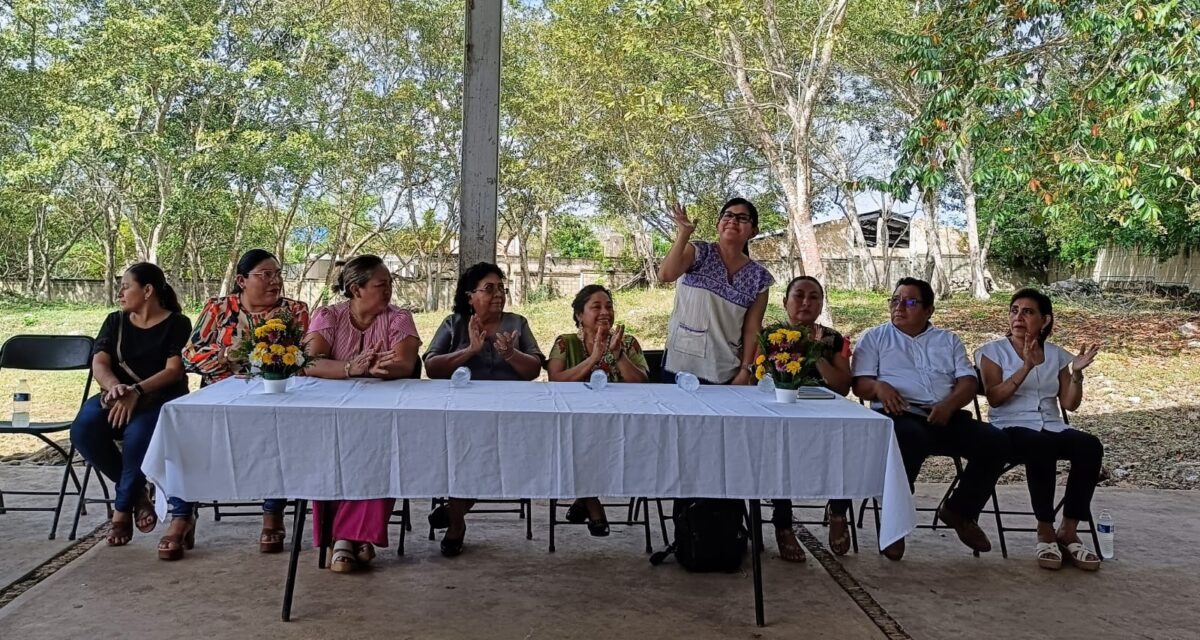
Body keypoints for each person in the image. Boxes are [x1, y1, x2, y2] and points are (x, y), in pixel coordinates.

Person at [851, 277, 1010, 560]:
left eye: (910, 302)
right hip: (899, 414)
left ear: (929, 310)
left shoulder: (947, 340)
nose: (899, 307)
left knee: (996, 442)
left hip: (944, 414)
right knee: (911, 438)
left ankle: (959, 510)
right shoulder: (874, 338)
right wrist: (878, 387)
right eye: (895, 300)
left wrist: (949, 405)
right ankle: (895, 524)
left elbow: (968, 381)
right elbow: (860, 384)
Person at [181, 248, 310, 555]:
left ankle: (273, 513)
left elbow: (303, 358)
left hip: (276, 399)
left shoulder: (294, 311)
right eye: (266, 275)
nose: (275, 281)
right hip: (221, 400)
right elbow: (189, 355)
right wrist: (226, 356)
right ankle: (181, 515)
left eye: (278, 274)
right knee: (185, 433)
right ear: (241, 280)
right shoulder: (218, 308)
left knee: (279, 434)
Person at [301, 255, 421, 573]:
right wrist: (350, 368)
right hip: (331, 415)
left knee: (382, 456)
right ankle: (354, 538)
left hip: (382, 416)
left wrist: (384, 369)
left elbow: (406, 363)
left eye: (390, 284)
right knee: (327, 457)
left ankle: (344, 538)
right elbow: (310, 363)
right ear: (356, 289)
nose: (389, 290)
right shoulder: (329, 316)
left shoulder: (399, 318)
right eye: (381, 285)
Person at [975, 288, 1103, 571]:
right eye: (1014, 311)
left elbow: (1069, 404)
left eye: (1028, 312)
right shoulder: (991, 352)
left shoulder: (1056, 355)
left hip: (1052, 426)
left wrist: (1076, 374)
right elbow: (994, 398)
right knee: (1039, 445)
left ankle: (1068, 530)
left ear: (1045, 320)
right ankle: (1045, 530)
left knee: (1089, 445)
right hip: (1009, 427)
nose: (1018, 317)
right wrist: (1026, 367)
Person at [69, 263, 192, 552]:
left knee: (138, 436)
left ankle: (121, 511)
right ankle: (138, 495)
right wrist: (115, 388)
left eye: (126, 286)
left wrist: (136, 391)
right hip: (116, 397)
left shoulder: (177, 323)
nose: (120, 293)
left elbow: (174, 370)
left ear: (148, 291)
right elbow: (100, 362)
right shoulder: (116, 321)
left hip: (159, 398)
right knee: (83, 429)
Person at [423, 262, 543, 556]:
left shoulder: (517, 323)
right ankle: (456, 523)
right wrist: (470, 351)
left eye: (501, 288)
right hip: (463, 414)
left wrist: (511, 354)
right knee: (464, 457)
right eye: (489, 289)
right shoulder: (454, 324)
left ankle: (455, 511)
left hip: (511, 414)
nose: (498, 294)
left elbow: (534, 369)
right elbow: (432, 367)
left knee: (501, 455)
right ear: (470, 296)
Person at [546, 284, 650, 535]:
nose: (605, 312)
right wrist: (594, 358)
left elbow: (643, 383)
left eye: (609, 306)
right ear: (579, 315)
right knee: (576, 443)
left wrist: (618, 355)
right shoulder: (566, 343)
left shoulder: (627, 342)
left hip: (620, 424)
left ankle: (584, 500)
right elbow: (556, 379)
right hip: (575, 423)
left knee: (591, 445)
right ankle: (593, 504)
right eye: (596, 307)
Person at [766, 276, 853, 563]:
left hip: (825, 415)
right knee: (778, 450)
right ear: (785, 302)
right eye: (799, 295)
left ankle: (838, 511)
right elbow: (757, 377)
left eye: (814, 297)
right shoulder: (769, 336)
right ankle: (783, 524)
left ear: (821, 304)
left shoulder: (834, 340)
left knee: (846, 443)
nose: (806, 302)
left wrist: (816, 353)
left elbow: (842, 386)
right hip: (780, 413)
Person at [657, 198, 774, 385]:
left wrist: (746, 370)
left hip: (723, 369)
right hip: (680, 364)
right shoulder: (699, 252)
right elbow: (665, 275)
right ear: (718, 224)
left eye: (742, 218)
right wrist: (684, 233)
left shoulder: (759, 278)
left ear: (754, 231)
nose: (733, 221)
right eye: (728, 215)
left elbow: (752, 328)